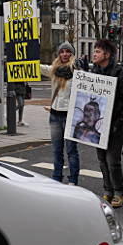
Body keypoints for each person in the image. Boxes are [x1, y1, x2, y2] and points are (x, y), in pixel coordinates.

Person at [91, 39, 123, 208]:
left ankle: (118, 191)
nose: (94, 54)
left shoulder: (121, 73)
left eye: (98, 51)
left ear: (107, 54)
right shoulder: (94, 72)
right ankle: (108, 189)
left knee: (112, 159)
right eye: (94, 51)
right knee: (101, 159)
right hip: (98, 123)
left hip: (116, 123)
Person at [40, 42, 79, 185]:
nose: (64, 54)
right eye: (62, 52)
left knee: (71, 150)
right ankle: (57, 178)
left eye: (67, 52)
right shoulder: (53, 70)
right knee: (57, 150)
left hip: (70, 115)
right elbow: (38, 67)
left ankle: (73, 180)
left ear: (72, 54)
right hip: (55, 114)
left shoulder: (77, 71)